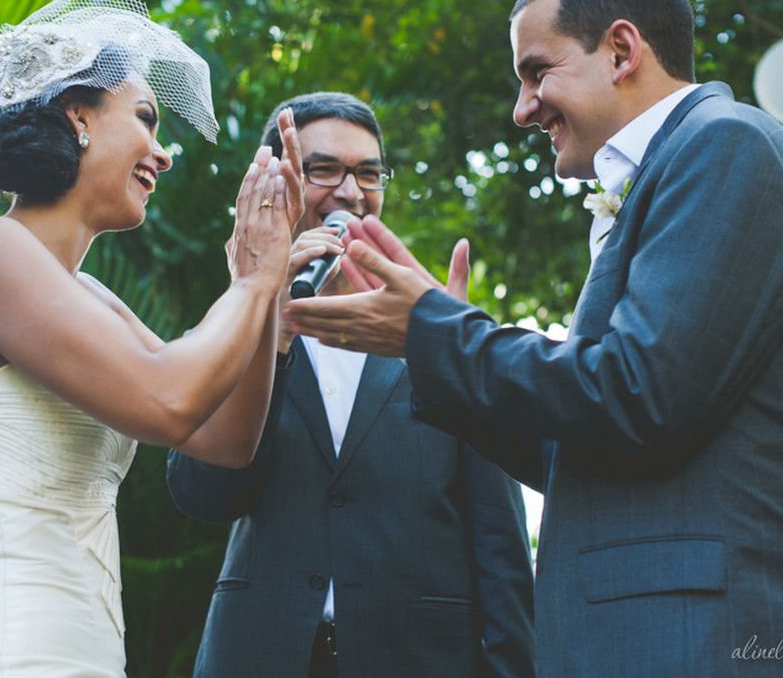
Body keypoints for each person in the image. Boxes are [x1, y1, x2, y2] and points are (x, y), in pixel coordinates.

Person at [285, 0, 783, 676]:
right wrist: (428, 345)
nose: (523, 108)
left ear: (621, 49)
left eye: (536, 71)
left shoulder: (728, 146)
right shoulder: (669, 174)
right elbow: (580, 449)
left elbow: (638, 391)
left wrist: (437, 330)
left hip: (713, 639)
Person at [0, 0, 302, 677]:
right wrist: (254, 281)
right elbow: (167, 398)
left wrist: (265, 302)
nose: (165, 150)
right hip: (1, 654)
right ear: (78, 116)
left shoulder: (91, 295)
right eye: (147, 118)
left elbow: (223, 438)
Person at [166, 91, 536, 678]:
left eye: (368, 172)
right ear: (274, 187)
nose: (351, 191)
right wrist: (271, 324)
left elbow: (500, 541)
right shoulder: (224, 332)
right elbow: (203, 495)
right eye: (322, 169)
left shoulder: (441, 331)